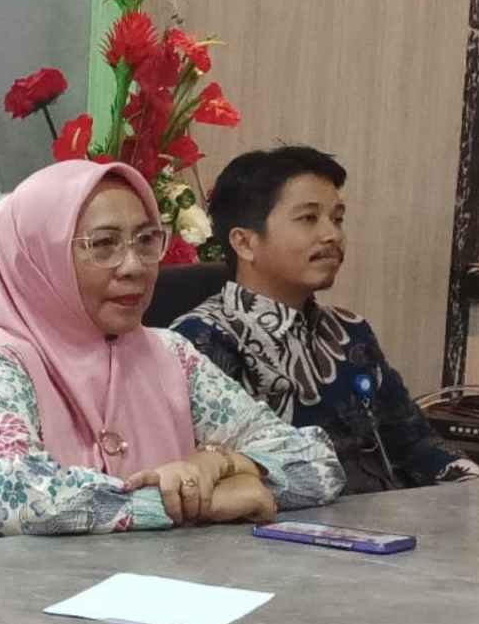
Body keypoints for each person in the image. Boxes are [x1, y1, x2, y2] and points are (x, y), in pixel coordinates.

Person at [0, 159, 343, 542]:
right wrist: (191, 503)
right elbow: (11, 499)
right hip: (13, 594)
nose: (134, 266)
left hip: (160, 584)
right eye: (103, 244)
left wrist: (223, 464)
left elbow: (319, 463)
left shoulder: (171, 356)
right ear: (39, 258)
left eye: (146, 240)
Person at [171, 145, 478, 492]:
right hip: (281, 522)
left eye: (337, 219)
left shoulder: (350, 332)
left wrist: (470, 486)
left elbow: (414, 443)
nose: (332, 235)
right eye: (308, 218)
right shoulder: (199, 341)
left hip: (389, 517)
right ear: (245, 243)